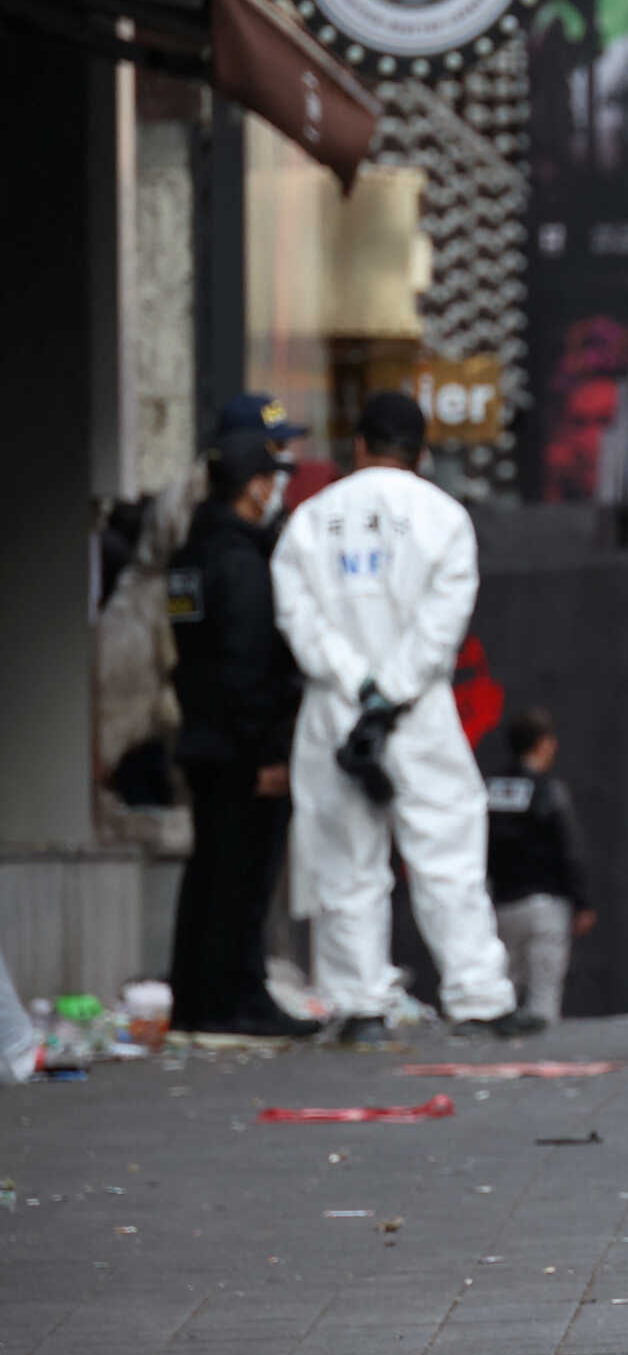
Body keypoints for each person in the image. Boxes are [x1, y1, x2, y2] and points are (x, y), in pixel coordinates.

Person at [270, 391, 537, 1043]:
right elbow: (441, 625)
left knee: (343, 859)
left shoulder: (310, 519)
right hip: (418, 712)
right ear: (421, 453)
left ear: (358, 446)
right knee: (447, 852)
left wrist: (358, 686)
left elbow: (297, 618)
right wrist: (390, 693)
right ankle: (478, 997)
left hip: (334, 709)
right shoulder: (443, 517)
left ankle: (357, 1003)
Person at [167, 428, 323, 1038]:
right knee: (242, 881)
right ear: (255, 487)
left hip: (204, 739)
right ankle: (238, 999)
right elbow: (249, 664)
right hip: (241, 750)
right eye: (272, 478)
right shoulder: (242, 562)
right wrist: (269, 751)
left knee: (208, 874)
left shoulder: (191, 557)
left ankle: (198, 1000)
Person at [486, 709, 594, 1030]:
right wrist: (583, 901)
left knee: (501, 987)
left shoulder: (490, 789)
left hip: (501, 904)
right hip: (546, 904)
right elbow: (569, 848)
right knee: (544, 996)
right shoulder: (550, 791)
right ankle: (543, 1063)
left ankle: (493, 1057)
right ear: (543, 744)